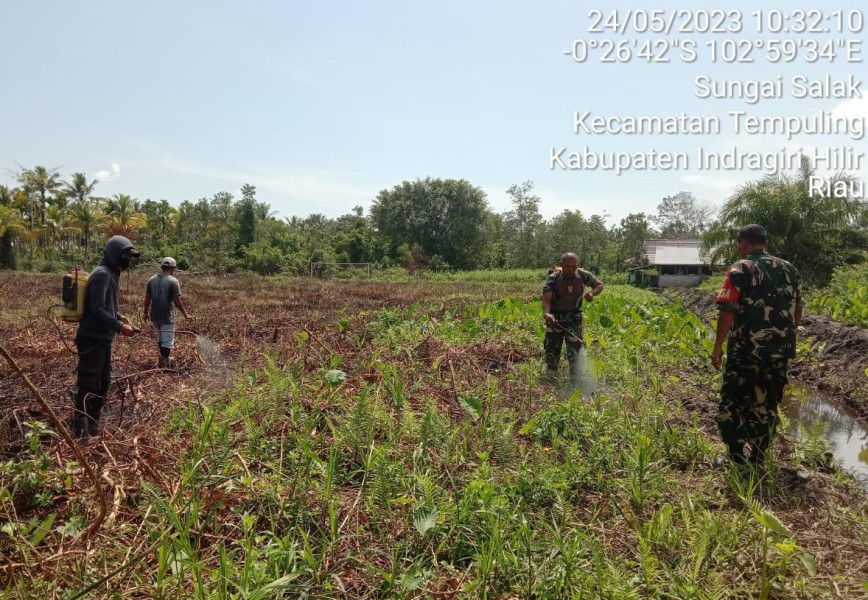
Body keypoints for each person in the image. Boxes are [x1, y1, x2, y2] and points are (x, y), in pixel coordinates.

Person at [712, 224, 803, 466]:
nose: (738, 248)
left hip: (746, 350)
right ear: (765, 243)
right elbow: (798, 309)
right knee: (768, 399)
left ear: (744, 242)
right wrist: (786, 336)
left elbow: (727, 309)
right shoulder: (790, 269)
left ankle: (736, 455)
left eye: (738, 244)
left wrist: (717, 346)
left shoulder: (741, 268)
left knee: (734, 398)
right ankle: (759, 456)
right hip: (779, 351)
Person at [72, 235, 140, 438]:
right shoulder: (102, 274)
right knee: (88, 384)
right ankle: (80, 431)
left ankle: (92, 426)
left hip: (103, 339)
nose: (128, 259)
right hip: (92, 339)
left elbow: (104, 306)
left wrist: (119, 316)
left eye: (130, 256)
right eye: (126, 255)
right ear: (113, 254)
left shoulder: (111, 272)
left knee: (103, 384)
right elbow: (96, 309)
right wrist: (119, 326)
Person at [542, 252, 604, 380]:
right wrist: (547, 313)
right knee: (552, 349)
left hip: (574, 317)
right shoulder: (553, 278)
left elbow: (599, 285)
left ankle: (575, 379)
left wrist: (592, 294)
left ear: (577, 266)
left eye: (573, 266)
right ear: (561, 265)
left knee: (575, 350)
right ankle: (551, 377)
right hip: (555, 318)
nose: (570, 269)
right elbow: (546, 299)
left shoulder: (583, 275)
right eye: (567, 266)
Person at [143, 257, 191, 368]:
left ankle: (162, 359)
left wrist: (145, 312)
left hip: (154, 315)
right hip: (167, 315)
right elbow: (176, 300)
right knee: (167, 339)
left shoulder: (152, 279)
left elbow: (147, 298)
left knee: (160, 337)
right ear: (173, 268)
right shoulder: (173, 281)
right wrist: (185, 314)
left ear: (162, 267)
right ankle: (164, 363)